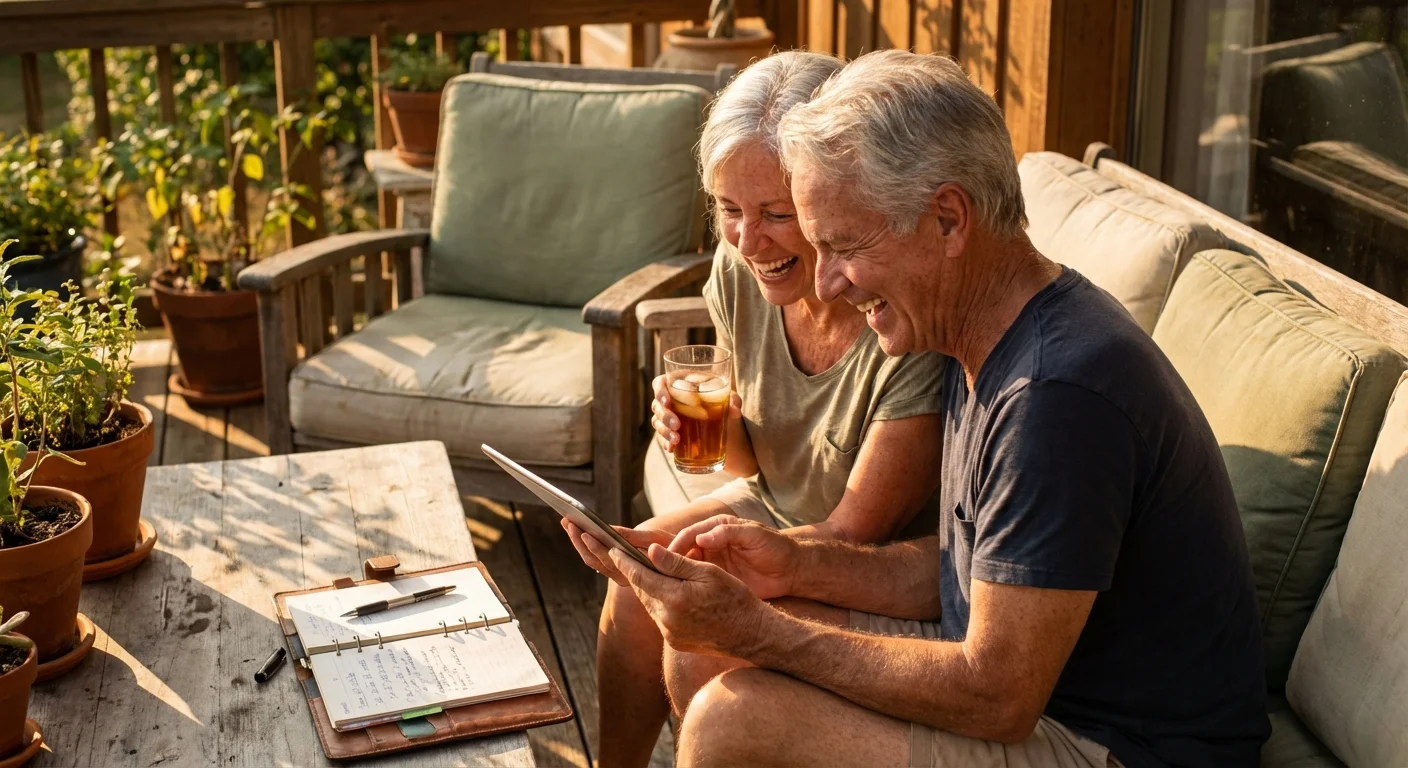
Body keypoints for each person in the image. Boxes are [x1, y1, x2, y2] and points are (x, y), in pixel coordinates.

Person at [573, 49, 1271, 768]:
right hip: (1031, 692)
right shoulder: (985, 338)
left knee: (734, 721)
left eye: (844, 245)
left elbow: (997, 693)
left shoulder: (1054, 397)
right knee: (703, 658)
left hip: (1122, 747)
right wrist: (791, 563)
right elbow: (957, 574)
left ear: (948, 218)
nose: (833, 282)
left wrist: (761, 631)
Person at [567, 51, 949, 768]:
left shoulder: (898, 319)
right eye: (729, 211)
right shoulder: (738, 270)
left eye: (777, 214)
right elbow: (747, 460)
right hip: (775, 509)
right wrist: (703, 434)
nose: (748, 241)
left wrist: (714, 578)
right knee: (636, 566)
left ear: (833, 197)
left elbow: (852, 532)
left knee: (692, 641)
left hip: (855, 561)